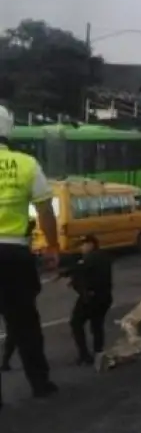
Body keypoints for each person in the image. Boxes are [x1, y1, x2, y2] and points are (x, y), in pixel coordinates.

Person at [0, 105, 59, 409]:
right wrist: (52, 247)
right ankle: (40, 383)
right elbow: (46, 210)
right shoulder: (25, 164)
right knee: (24, 322)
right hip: (14, 253)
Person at [64, 234, 112, 368]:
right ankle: (98, 354)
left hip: (92, 298)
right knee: (97, 326)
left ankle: (85, 355)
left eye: (83, 245)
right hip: (103, 297)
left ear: (91, 244)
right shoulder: (101, 257)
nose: (81, 248)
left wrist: (67, 274)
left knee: (76, 323)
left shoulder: (93, 257)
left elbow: (82, 269)